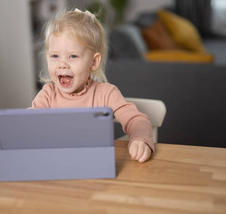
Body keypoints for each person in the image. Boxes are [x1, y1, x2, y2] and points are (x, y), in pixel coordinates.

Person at [30, 9, 154, 162]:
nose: (62, 64)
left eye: (73, 56)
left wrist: (139, 139)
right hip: (58, 165)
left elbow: (136, 120)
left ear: (94, 62)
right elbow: (29, 124)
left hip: (95, 169)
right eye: (54, 56)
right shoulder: (48, 94)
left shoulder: (106, 93)